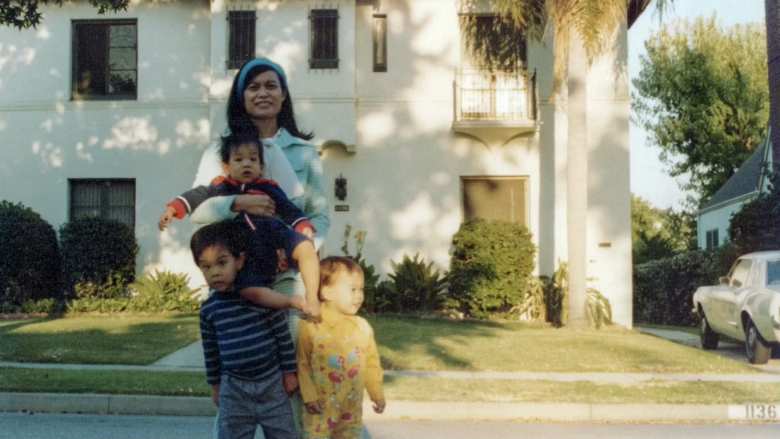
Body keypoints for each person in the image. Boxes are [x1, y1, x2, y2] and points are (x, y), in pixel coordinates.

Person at [189, 57, 330, 435]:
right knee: (237, 377)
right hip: (237, 282)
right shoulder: (218, 151)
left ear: (284, 96)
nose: (263, 93)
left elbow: (319, 215)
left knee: (293, 374)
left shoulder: (304, 152)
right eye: (253, 87)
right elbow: (199, 211)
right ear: (240, 98)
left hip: (289, 280)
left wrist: (303, 243)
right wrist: (238, 202)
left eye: (271, 85)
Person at [159, 131, 320, 317]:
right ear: (226, 167)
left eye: (253, 159)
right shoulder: (220, 187)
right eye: (238, 159)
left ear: (261, 166)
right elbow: (194, 197)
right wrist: (172, 210)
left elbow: (289, 209)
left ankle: (313, 299)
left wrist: (303, 225)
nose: (246, 163)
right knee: (250, 291)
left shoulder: (270, 187)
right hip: (244, 247)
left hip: (273, 232)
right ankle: (292, 302)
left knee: (306, 247)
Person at [192, 221, 298, 439]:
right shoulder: (209, 310)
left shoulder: (261, 297)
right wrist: (215, 386)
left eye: (222, 263)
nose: (215, 273)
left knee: (285, 435)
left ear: (239, 261)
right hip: (234, 390)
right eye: (206, 266)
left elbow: (282, 337)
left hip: (272, 385)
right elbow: (211, 352)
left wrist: (289, 373)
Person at [297, 256, 385, 439]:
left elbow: (372, 364)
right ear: (326, 292)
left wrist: (376, 392)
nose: (359, 295)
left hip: (351, 414)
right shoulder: (312, 326)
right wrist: (309, 396)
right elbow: (302, 364)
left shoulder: (362, 328)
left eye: (361, 289)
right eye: (353, 289)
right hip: (319, 412)